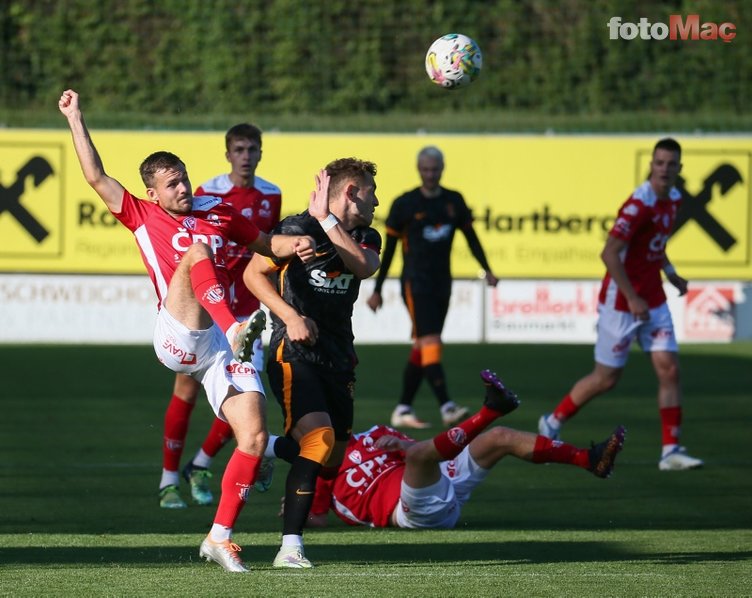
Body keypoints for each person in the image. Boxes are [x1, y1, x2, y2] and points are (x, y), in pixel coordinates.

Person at [58, 89, 314, 574]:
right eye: (171, 184)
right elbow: (95, 175)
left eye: (184, 179)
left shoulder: (217, 212)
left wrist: (299, 240)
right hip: (179, 334)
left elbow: (265, 242)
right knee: (198, 254)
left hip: (216, 346)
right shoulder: (140, 214)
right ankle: (235, 331)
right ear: (152, 193)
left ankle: (219, 537)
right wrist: (75, 116)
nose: (182, 188)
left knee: (253, 434)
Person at [244, 160, 381, 568]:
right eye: (372, 191)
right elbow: (254, 274)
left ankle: (268, 447)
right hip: (294, 354)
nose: (377, 199)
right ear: (353, 191)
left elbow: (364, 266)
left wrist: (328, 221)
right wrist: (289, 317)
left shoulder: (365, 235)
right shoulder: (294, 229)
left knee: (331, 461)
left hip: (339, 359)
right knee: (317, 440)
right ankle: (290, 547)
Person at [537, 138, 703, 472]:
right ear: (652, 165)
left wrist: (671, 274)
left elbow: (657, 245)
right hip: (622, 302)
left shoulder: (673, 199)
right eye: (660, 163)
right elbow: (609, 253)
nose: (665, 169)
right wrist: (631, 296)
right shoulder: (637, 205)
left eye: (672, 164)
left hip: (653, 299)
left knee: (669, 369)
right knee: (606, 378)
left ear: (679, 169)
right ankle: (552, 420)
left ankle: (671, 450)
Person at [304, 370, 626, 529]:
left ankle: (590, 460)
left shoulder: (374, 433)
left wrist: (403, 444)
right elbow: (317, 518)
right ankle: (490, 410)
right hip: (410, 511)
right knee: (420, 456)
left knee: (501, 437)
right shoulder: (319, 467)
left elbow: (425, 452)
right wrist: (297, 510)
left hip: (439, 478)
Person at [161, 123, 283, 509]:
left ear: (261, 153)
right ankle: (168, 480)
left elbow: (263, 246)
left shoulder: (271, 195)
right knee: (186, 389)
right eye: (239, 149)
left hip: (246, 308)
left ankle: (200, 465)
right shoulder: (206, 192)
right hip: (204, 304)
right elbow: (190, 235)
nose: (246, 156)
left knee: (245, 392)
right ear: (228, 154)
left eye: (252, 149)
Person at [366, 146, 499, 430]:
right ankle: (447, 406)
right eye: (425, 169)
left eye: (434, 169)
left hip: (442, 282)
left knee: (423, 345)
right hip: (416, 283)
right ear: (419, 170)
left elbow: (472, 238)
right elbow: (388, 251)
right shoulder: (405, 204)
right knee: (431, 343)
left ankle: (403, 408)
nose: (430, 174)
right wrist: (377, 289)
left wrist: (487, 270)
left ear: (442, 169)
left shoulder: (454, 201)